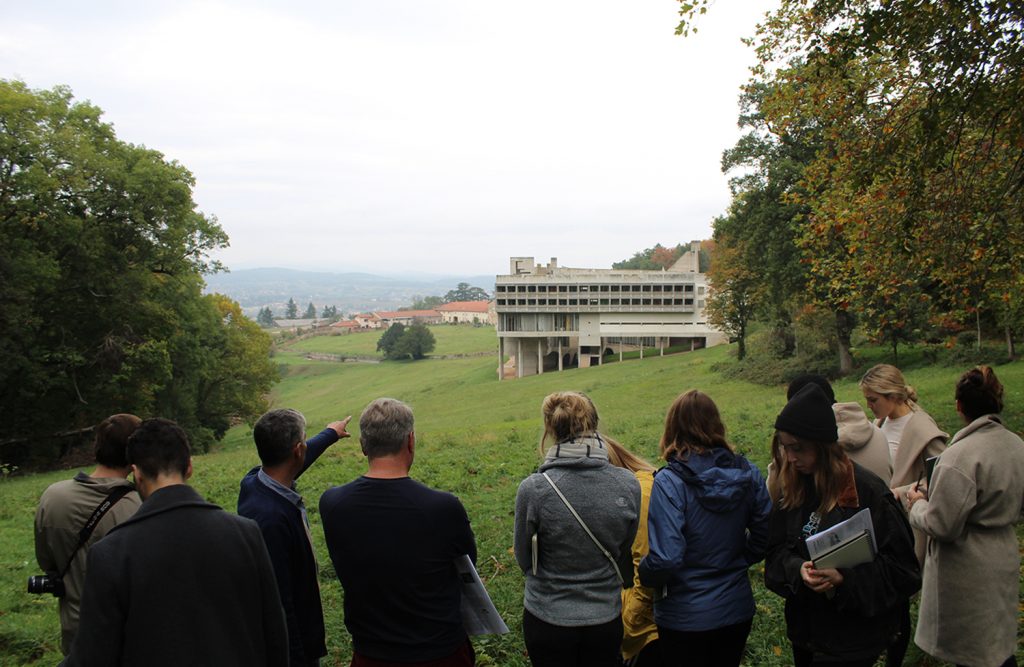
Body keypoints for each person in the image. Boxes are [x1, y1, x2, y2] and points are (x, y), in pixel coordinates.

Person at [62, 418, 288, 666]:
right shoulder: (245, 533)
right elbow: (275, 634)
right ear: (189, 467)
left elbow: (93, 656)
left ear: (136, 474)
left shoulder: (109, 554)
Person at [764, 384, 920, 667]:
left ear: (823, 447)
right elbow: (775, 555)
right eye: (785, 448)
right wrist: (798, 570)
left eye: (798, 449)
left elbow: (904, 572)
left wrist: (844, 579)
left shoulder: (869, 493)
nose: (790, 458)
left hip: (853, 640)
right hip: (807, 635)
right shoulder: (794, 492)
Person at [320, 398, 477, 666]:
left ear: (362, 445)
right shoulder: (443, 507)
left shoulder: (332, 503)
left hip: (371, 653)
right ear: (411, 441)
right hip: (440, 652)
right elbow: (467, 565)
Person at [639, 390, 772, 667]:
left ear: (672, 427)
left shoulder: (670, 481)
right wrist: (742, 558)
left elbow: (666, 557)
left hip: (683, 616)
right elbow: (766, 532)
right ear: (717, 424)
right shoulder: (747, 472)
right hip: (735, 607)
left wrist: (644, 573)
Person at [906, 366, 1024, 667]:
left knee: (974, 655)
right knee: (997, 647)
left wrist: (917, 505)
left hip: (968, 568)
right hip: (1003, 553)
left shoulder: (959, 457)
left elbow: (942, 525)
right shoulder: (1017, 446)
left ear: (959, 406)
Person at [513, 391, 640, 667]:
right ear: (594, 424)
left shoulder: (533, 489)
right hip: (605, 619)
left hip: (546, 618)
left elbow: (524, 559)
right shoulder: (628, 484)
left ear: (550, 429)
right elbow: (623, 548)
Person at [238, 408, 352, 667]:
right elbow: (281, 604)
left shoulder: (255, 481)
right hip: (294, 650)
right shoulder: (272, 521)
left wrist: (330, 434)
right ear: (297, 451)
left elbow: (293, 461)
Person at [34, 413, 143, 654]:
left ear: (97, 446)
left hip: (77, 633)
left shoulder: (53, 496)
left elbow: (46, 561)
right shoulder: (139, 506)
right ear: (135, 452)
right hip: (127, 636)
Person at [766, 375, 892, 501]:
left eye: (797, 448)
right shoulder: (878, 432)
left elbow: (774, 494)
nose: (791, 457)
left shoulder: (811, 447)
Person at [605, 437, 660, 667]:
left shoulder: (640, 492)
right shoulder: (627, 491)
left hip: (646, 633)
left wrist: (629, 623)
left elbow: (645, 565)